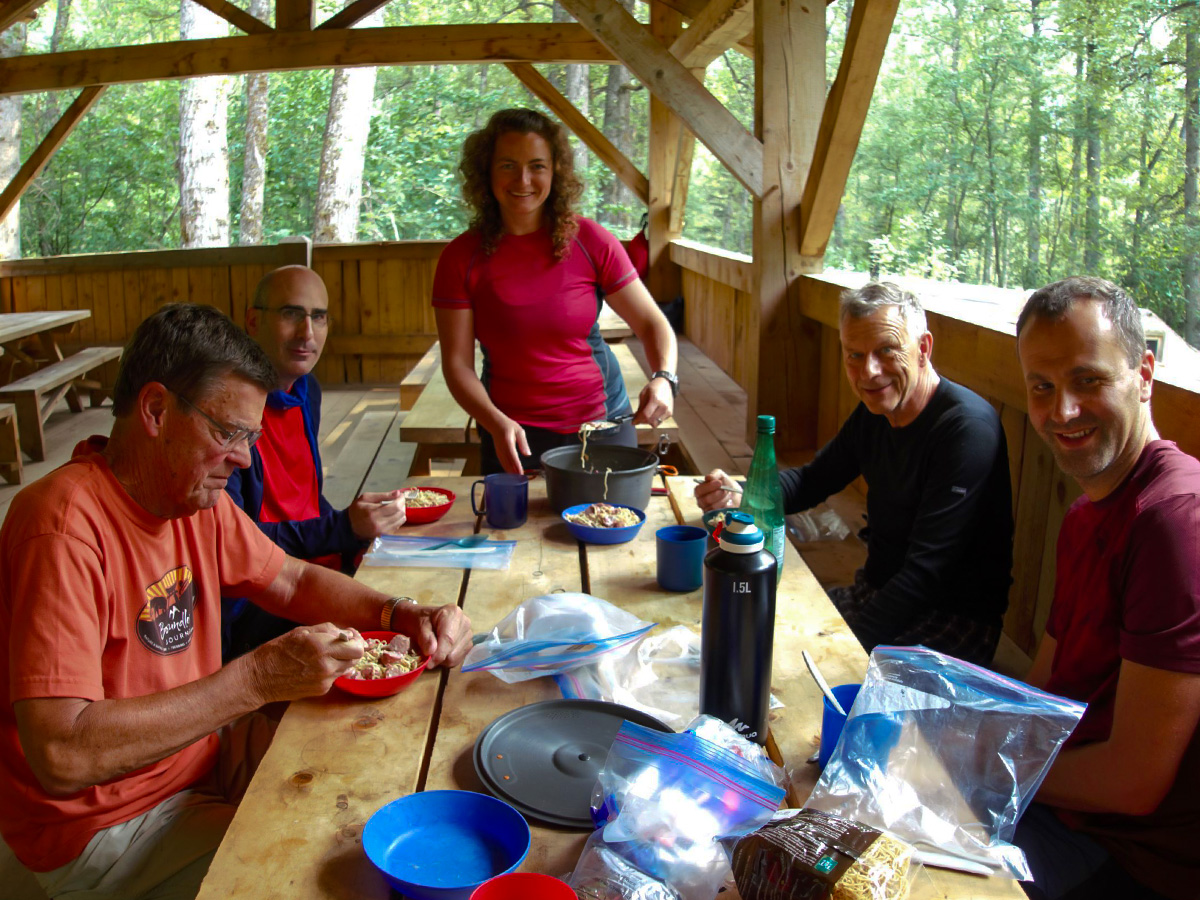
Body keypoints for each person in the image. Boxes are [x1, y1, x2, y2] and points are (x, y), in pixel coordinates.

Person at [0, 304, 472, 900]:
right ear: (154, 410)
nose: (245, 459)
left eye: (251, 437)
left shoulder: (192, 499)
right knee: (335, 882)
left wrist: (400, 613)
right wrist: (256, 680)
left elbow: (293, 582)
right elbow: (62, 753)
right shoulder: (62, 525)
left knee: (392, 784)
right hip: (107, 826)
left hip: (198, 759)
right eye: (228, 433)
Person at [695, 282, 1013, 665]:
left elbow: (927, 574)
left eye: (886, 351)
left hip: (952, 620)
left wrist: (843, 648)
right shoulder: (877, 413)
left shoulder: (966, 429)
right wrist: (742, 493)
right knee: (750, 624)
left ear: (924, 348)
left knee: (800, 666)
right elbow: (813, 480)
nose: (869, 372)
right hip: (877, 592)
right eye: (854, 356)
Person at [1012, 276, 1200, 900]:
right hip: (1062, 804)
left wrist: (994, 769)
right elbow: (1044, 680)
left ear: (1144, 373)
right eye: (1042, 387)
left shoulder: (1173, 520)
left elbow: (1135, 781)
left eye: (1087, 380)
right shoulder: (1086, 512)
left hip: (1127, 856)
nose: (1061, 410)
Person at [433, 107, 679, 475]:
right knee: (511, 534)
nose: (523, 179)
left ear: (555, 172)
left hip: (602, 425)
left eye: (537, 166)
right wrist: (495, 423)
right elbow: (457, 365)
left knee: (611, 529)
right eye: (507, 165)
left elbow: (651, 323)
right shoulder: (459, 258)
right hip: (511, 432)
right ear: (486, 171)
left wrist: (664, 378)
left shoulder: (591, 240)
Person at [222, 265, 407, 660]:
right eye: (291, 314)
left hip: (316, 565)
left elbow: (304, 497)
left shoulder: (306, 391)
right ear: (253, 321)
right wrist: (340, 528)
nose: (307, 333)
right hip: (260, 599)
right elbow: (236, 546)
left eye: (318, 317)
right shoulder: (229, 410)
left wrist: (356, 526)